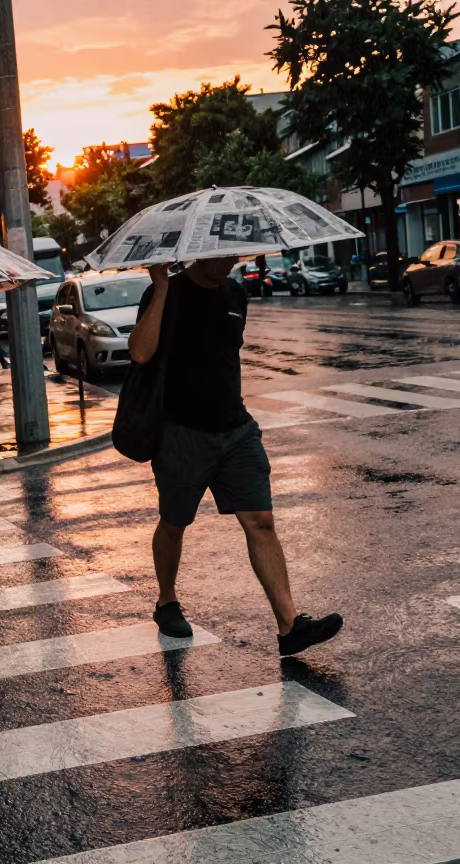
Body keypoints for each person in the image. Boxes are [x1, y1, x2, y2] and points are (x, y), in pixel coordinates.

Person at [128, 257, 343, 656]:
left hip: (236, 429)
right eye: (213, 260)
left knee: (261, 521)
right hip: (181, 432)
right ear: (197, 253)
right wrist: (160, 289)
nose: (221, 267)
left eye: (229, 259)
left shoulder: (235, 293)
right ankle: (166, 601)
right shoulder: (166, 291)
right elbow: (140, 353)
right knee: (175, 523)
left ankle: (289, 626)